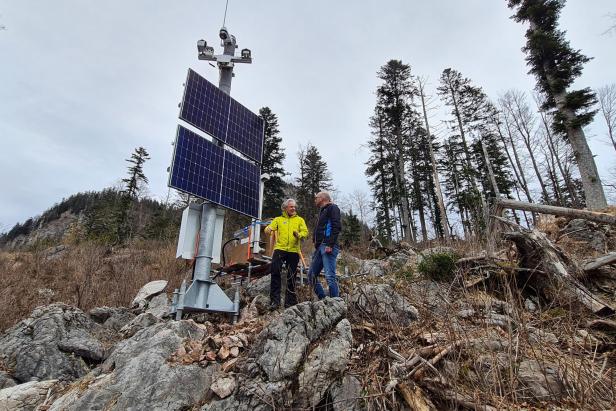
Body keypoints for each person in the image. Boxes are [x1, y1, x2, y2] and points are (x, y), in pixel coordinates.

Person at [264, 198, 308, 310]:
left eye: (294, 206)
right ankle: (275, 301)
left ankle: (289, 303)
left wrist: (299, 235)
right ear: (285, 208)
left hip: (294, 250)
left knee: (292, 276)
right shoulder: (278, 219)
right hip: (280, 249)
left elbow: (305, 232)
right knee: (275, 271)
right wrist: (267, 229)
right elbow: (270, 228)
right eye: (291, 207)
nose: (293, 208)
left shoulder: (300, 220)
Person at [308, 191, 342, 299]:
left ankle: (335, 303)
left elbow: (336, 227)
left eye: (316, 198)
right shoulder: (322, 211)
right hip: (320, 248)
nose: (315, 200)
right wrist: (315, 240)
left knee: (329, 276)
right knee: (311, 275)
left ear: (322, 198)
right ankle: (323, 299)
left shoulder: (333, 208)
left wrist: (330, 244)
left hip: (328, 246)